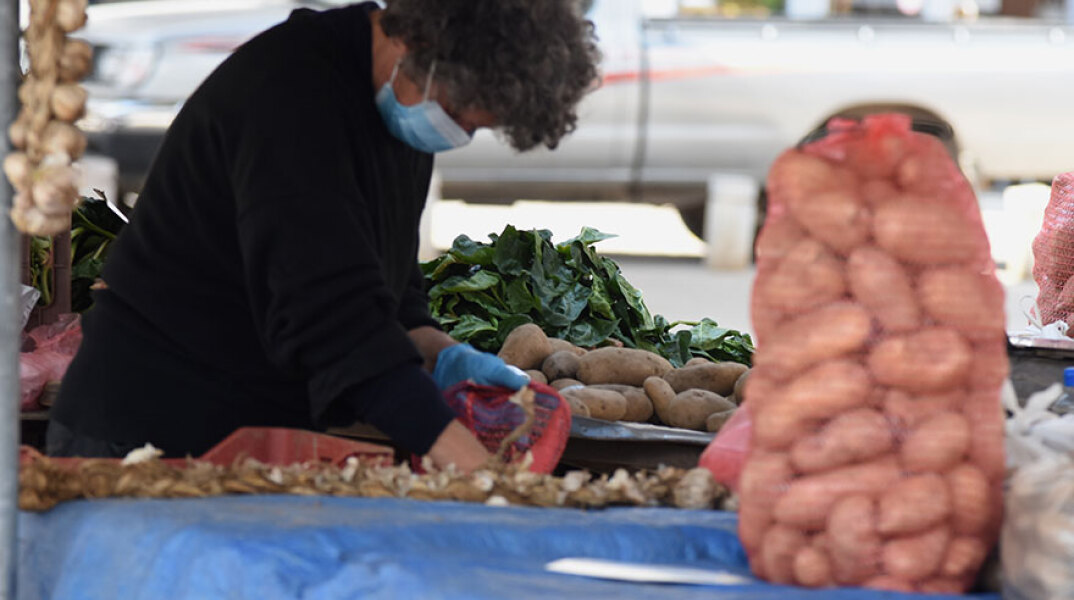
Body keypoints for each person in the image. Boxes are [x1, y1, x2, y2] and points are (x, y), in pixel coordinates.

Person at [46, 0, 601, 472]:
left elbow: (389, 292)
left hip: (252, 433)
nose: (457, 132)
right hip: (143, 432)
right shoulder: (290, 97)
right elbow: (336, 323)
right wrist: (480, 473)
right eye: (457, 113)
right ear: (419, 43)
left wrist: (444, 354)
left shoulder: (402, 106)